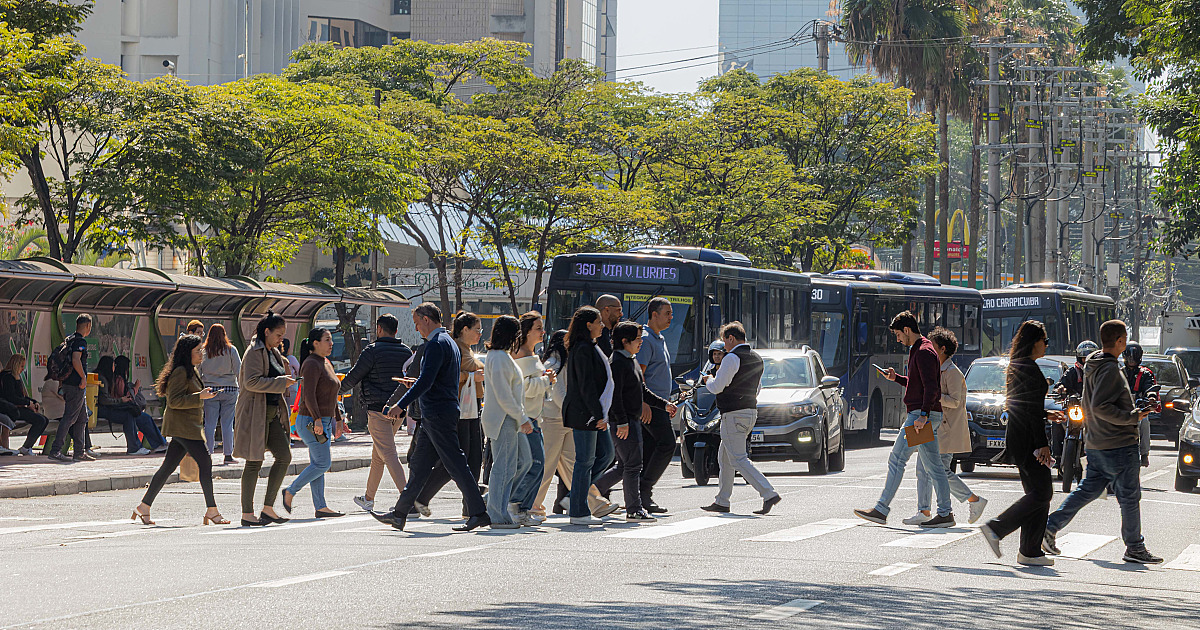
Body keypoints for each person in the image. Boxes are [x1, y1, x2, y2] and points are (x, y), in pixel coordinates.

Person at [1041, 320, 1163, 564]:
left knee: (1088, 490)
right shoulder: (1109, 369)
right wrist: (1133, 416)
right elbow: (1100, 406)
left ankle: (1049, 527)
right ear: (1120, 340)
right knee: (1129, 496)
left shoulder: (1094, 364)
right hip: (1118, 443)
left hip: (1097, 440)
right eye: (1124, 338)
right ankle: (1134, 547)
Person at [369, 303, 490, 532]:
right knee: (420, 467)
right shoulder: (448, 342)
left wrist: (400, 404)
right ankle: (400, 513)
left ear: (426, 319)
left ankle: (479, 512)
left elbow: (426, 381)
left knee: (456, 464)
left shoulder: (435, 344)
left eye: (417, 323)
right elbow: (436, 379)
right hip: (437, 412)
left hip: (438, 413)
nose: (416, 328)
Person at [854, 311, 955, 528]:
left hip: (920, 416)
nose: (898, 339)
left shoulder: (923, 351)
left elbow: (932, 387)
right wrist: (896, 378)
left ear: (907, 330)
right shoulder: (921, 349)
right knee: (934, 467)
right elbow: (919, 384)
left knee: (897, 459)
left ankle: (881, 509)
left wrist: (923, 416)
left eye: (898, 334)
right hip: (924, 415)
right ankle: (945, 513)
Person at [978, 321, 1060, 566]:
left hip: (1020, 436)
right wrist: (1042, 444)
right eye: (1044, 340)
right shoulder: (1029, 368)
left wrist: (1046, 414)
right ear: (1033, 342)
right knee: (1042, 492)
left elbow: (1024, 407)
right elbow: (1030, 411)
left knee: (1037, 493)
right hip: (1027, 439)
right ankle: (997, 528)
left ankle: (1030, 551)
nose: (1046, 345)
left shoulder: (1020, 365)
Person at [131, 335, 226, 526]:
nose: (201, 353)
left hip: (187, 426)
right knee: (205, 463)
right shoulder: (181, 371)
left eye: (201, 350)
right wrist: (200, 396)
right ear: (187, 353)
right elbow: (174, 401)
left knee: (168, 467)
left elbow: (189, 395)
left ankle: (144, 506)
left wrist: (203, 394)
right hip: (184, 427)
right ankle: (212, 510)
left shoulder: (191, 370)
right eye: (197, 351)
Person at [699, 322, 781, 515]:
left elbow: (717, 387)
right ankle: (722, 501)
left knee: (738, 459)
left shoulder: (731, 358)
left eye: (724, 341)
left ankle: (769, 493)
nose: (723, 346)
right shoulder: (756, 357)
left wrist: (708, 380)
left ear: (731, 338)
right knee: (725, 458)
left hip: (733, 414)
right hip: (750, 412)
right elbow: (758, 388)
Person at [909, 327, 987, 525]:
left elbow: (955, 401)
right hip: (928, 424)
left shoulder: (952, 372)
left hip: (944, 429)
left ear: (943, 349)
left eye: (932, 346)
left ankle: (973, 500)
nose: (928, 349)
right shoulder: (934, 369)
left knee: (941, 471)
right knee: (922, 469)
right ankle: (923, 511)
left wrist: (933, 396)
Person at [599, 321, 676, 522]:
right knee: (633, 465)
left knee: (624, 466)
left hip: (631, 420)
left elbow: (642, 391)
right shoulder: (617, 362)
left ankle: (589, 493)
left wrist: (664, 404)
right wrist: (622, 421)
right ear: (625, 341)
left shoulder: (630, 360)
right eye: (638, 339)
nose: (641, 342)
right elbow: (615, 396)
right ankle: (633, 509)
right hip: (624, 422)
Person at [413, 311, 486, 517]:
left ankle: (469, 508)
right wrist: (471, 376)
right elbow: (447, 376)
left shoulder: (467, 349)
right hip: (459, 408)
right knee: (456, 460)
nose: (480, 334)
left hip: (472, 408)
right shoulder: (454, 347)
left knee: (471, 458)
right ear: (465, 330)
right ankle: (419, 499)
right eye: (477, 330)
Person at [340, 314, 412, 513]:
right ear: (396, 331)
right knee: (378, 456)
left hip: (378, 410)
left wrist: (336, 390)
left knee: (388, 454)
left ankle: (408, 500)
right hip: (398, 410)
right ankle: (368, 498)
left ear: (379, 329)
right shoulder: (406, 351)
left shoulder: (372, 351)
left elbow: (354, 376)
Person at [233, 312, 297, 527]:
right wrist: (281, 382)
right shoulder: (254, 351)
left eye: (283, 335)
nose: (281, 339)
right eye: (278, 335)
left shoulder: (273, 351)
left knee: (284, 456)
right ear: (266, 331)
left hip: (271, 413)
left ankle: (268, 508)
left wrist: (283, 381)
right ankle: (247, 513)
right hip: (255, 413)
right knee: (254, 462)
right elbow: (251, 382)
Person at [281, 328, 345, 518]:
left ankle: (320, 506)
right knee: (323, 463)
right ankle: (290, 491)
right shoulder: (311, 364)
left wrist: (338, 420)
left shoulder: (325, 362)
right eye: (327, 340)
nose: (331, 343)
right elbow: (308, 395)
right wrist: (317, 419)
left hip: (322, 421)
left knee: (318, 464)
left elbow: (331, 395)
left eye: (331, 340)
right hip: (311, 421)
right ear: (315, 343)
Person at [562, 306, 616, 526]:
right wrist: (598, 414)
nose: (602, 325)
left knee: (606, 454)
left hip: (594, 412)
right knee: (584, 461)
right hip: (585, 413)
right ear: (588, 325)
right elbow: (586, 386)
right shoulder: (582, 348)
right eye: (598, 322)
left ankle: (574, 495)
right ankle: (578, 511)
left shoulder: (591, 346)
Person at [480, 316, 532, 529]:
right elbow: (505, 395)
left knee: (514, 464)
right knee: (504, 467)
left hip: (505, 417)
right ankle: (497, 514)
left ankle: (494, 505)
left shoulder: (499, 356)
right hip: (504, 418)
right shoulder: (500, 357)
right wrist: (523, 418)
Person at [637, 297, 677, 513]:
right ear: (654, 314)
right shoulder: (645, 339)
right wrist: (644, 402)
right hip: (650, 405)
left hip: (660, 403)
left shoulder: (659, 338)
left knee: (651, 448)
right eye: (667, 313)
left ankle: (641, 496)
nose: (671, 317)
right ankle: (645, 489)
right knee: (667, 444)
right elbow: (639, 375)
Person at [511, 312, 552, 521]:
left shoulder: (532, 353)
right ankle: (515, 504)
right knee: (534, 464)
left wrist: (546, 381)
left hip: (534, 417)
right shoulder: (519, 355)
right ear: (526, 331)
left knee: (537, 464)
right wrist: (546, 381)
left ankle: (523, 508)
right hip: (525, 418)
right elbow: (523, 387)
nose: (542, 332)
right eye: (538, 328)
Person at [96, 355, 167, 455]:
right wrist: (128, 394)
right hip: (106, 409)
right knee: (130, 416)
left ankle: (159, 444)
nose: (114, 368)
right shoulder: (107, 379)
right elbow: (106, 400)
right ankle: (135, 447)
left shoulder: (108, 378)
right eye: (113, 365)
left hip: (112, 408)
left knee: (144, 417)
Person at [48, 314, 93, 463]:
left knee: (82, 418)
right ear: (87, 326)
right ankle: (55, 450)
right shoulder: (80, 341)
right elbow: (75, 359)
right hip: (76, 385)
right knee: (69, 417)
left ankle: (79, 452)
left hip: (69, 383)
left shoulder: (70, 339)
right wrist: (83, 378)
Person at [199, 324, 241, 464]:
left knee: (209, 424)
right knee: (227, 424)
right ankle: (228, 455)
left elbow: (198, 371)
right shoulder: (231, 350)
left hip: (210, 390)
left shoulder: (204, 351)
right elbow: (239, 370)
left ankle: (207, 454)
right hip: (230, 389)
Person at [1052, 340, 1097, 461]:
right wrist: (1060, 389)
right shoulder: (1072, 372)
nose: (1086, 361)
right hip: (1075, 409)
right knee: (1057, 421)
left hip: (1094, 411)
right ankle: (1057, 455)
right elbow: (1060, 384)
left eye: (1089, 358)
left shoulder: (1100, 374)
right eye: (1084, 358)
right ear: (1079, 358)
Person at [0, 354, 50, 456]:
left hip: (17, 407)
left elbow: (21, 396)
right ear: (16, 365)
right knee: (40, 420)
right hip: (11, 409)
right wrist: (27, 403)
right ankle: (26, 447)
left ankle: (27, 446)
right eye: (21, 366)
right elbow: (11, 397)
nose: (23, 369)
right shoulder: (8, 377)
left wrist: (33, 402)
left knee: (44, 420)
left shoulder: (16, 377)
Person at [1121, 341, 1155, 467]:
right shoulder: (1118, 373)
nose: (1131, 360)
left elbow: (1150, 387)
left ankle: (1144, 454)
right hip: (1122, 408)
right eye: (1129, 357)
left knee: (1144, 422)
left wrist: (1151, 397)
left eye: (1134, 357)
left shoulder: (1145, 374)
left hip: (1139, 407)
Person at [282, 338, 300, 405]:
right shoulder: (291, 358)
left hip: (281, 386)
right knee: (291, 406)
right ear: (288, 349)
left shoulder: (278, 358)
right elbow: (299, 370)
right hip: (292, 386)